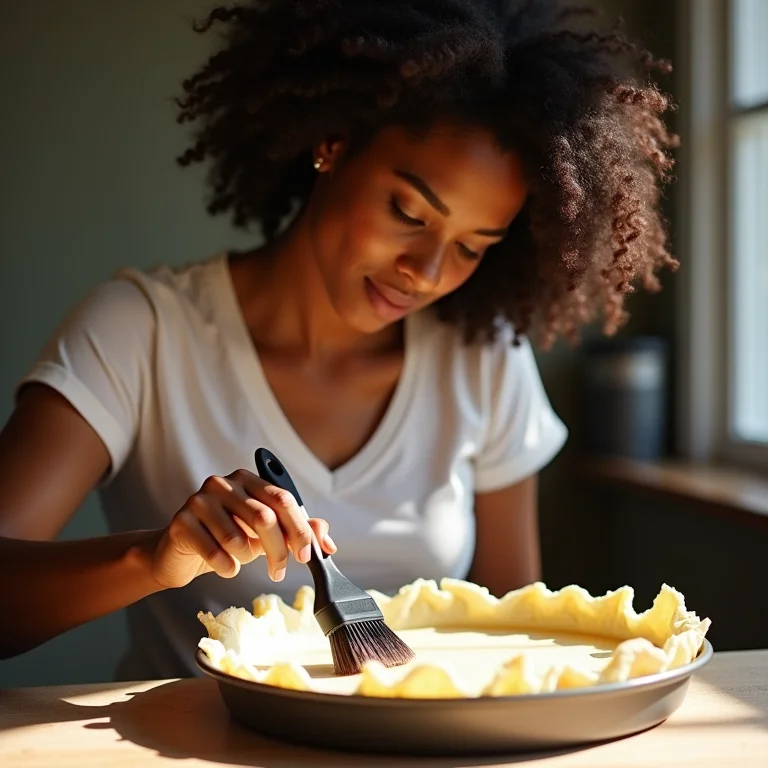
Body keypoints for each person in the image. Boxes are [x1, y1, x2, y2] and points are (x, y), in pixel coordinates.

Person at [0, 0, 678, 680]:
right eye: (408, 211)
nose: (427, 273)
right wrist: (156, 559)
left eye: (472, 246)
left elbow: (514, 627)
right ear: (333, 143)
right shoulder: (139, 332)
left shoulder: (483, 357)